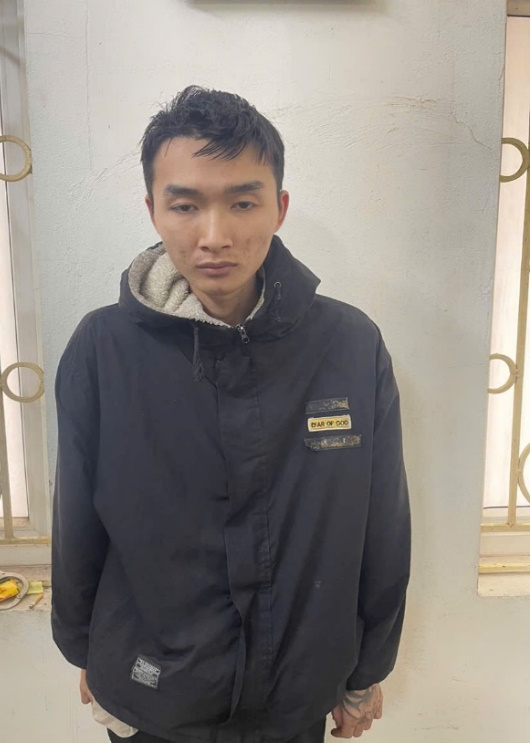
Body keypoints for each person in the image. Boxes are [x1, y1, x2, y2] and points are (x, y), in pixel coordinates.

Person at [51, 86, 411, 743]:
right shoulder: (103, 348)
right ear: (153, 209)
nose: (214, 236)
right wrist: (87, 653)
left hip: (297, 694)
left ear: (279, 207)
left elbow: (382, 526)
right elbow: (76, 521)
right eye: (185, 205)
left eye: (243, 202)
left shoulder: (349, 347)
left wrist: (367, 670)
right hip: (150, 692)